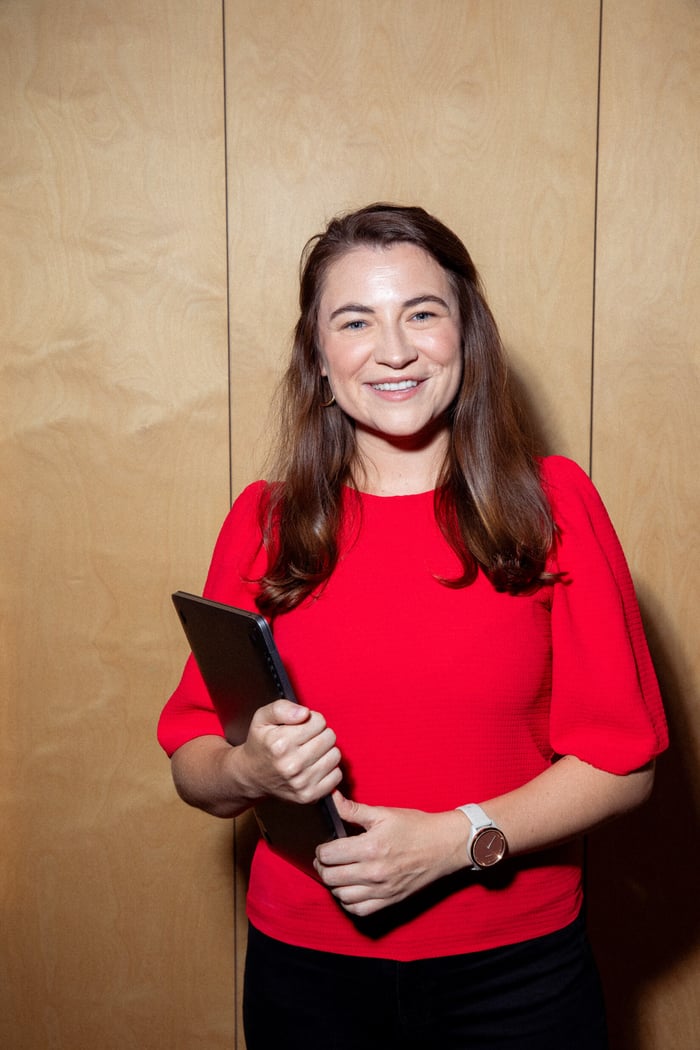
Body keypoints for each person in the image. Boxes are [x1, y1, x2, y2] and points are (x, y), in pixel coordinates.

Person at [158, 203, 668, 1050]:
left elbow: (623, 766)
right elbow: (195, 768)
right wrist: (249, 765)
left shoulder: (553, 506)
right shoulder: (263, 522)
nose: (394, 350)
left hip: (518, 976)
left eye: (422, 314)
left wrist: (456, 842)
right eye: (355, 321)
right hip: (305, 974)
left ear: (466, 338)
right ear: (319, 358)